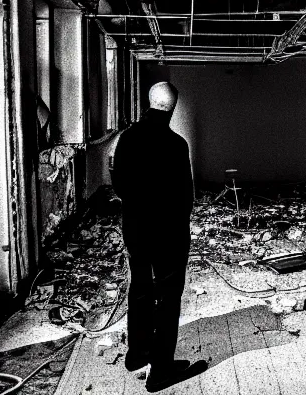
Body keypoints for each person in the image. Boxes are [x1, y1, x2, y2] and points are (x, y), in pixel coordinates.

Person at [111, 81, 207, 392]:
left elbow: (119, 186)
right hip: (168, 234)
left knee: (140, 289)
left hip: (136, 230)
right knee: (167, 299)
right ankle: (161, 371)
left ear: (149, 102)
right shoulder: (176, 145)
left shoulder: (127, 138)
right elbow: (185, 197)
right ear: (173, 107)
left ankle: (137, 354)